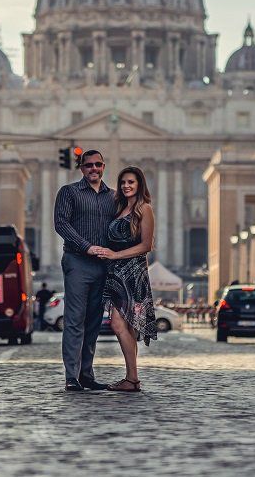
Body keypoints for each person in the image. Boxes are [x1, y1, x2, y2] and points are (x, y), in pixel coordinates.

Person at [53, 148, 117, 392]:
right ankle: (71, 376)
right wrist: (86, 246)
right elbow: (61, 223)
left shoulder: (112, 197)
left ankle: (86, 374)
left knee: (93, 323)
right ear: (81, 168)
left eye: (98, 165)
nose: (94, 169)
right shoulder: (69, 192)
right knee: (74, 320)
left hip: (104, 265)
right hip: (78, 261)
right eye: (89, 165)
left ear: (103, 167)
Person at [91, 166, 156, 392]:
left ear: (139, 185)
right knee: (126, 326)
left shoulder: (144, 209)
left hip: (133, 273)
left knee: (118, 324)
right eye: (123, 183)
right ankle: (131, 378)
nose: (126, 186)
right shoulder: (119, 209)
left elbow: (147, 245)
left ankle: (133, 378)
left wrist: (116, 254)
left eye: (131, 182)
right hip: (115, 272)